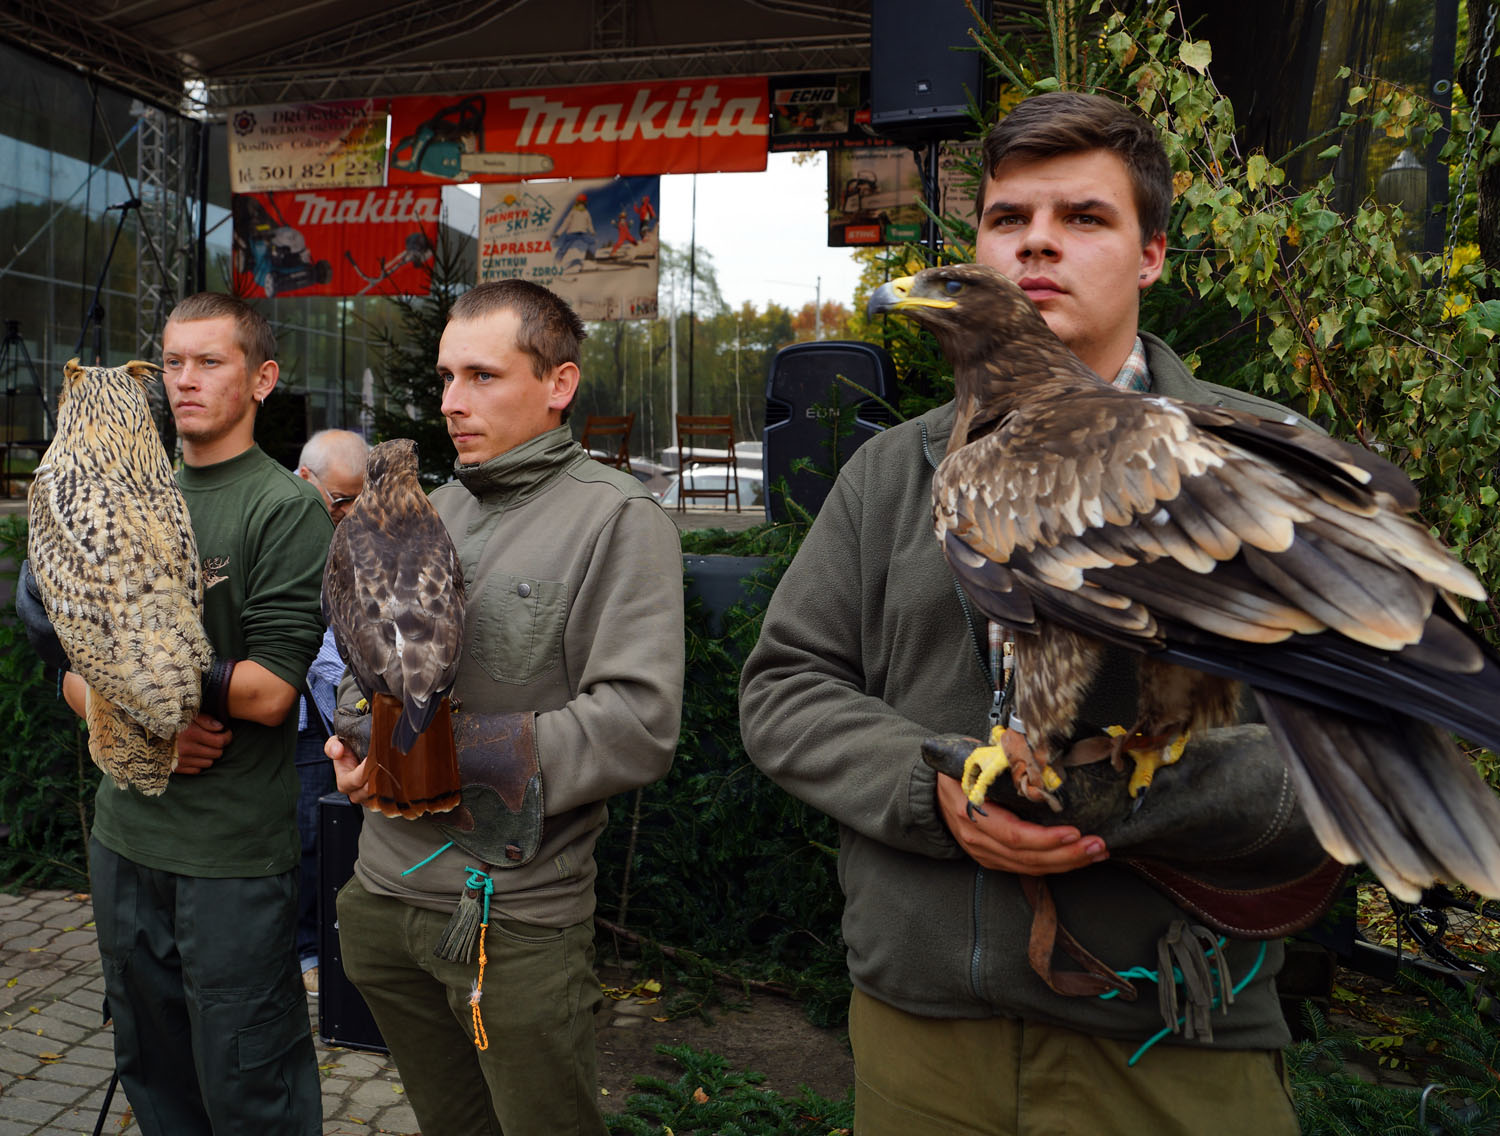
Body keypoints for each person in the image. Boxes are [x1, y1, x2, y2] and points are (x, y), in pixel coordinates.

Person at [740, 91, 1320, 1136]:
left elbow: (1363, 742)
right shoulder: (894, 471)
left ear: (1150, 255)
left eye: (1084, 217)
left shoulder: (1262, 461)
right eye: (1008, 219)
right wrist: (931, 786)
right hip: (923, 1033)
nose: (1037, 243)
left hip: (1169, 1032)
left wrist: (1135, 796)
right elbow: (786, 688)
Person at [325, 278, 684, 1136]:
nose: (453, 402)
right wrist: (360, 743)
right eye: (447, 377)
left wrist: (435, 756)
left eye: (482, 376)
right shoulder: (426, 512)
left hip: (508, 921)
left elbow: (636, 725)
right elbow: (354, 669)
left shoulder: (616, 520)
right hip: (380, 901)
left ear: (559, 384)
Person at [47, 294, 330, 1133]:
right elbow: (72, 669)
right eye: (173, 361)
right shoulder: (123, 490)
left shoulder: (284, 507)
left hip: (230, 857)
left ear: (262, 379)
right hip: (125, 838)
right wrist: (139, 718)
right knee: (154, 1075)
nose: (185, 380)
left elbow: (272, 691)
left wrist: (145, 683)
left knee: (250, 1087)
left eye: (210, 362)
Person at [291, 427, 369, 994]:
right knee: (302, 836)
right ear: (304, 479)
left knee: (327, 834)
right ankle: (304, 952)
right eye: (339, 498)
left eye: (358, 499)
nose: (347, 511)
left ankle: (325, 949)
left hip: (335, 713)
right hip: (295, 713)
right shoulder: (282, 525)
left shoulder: (356, 532)